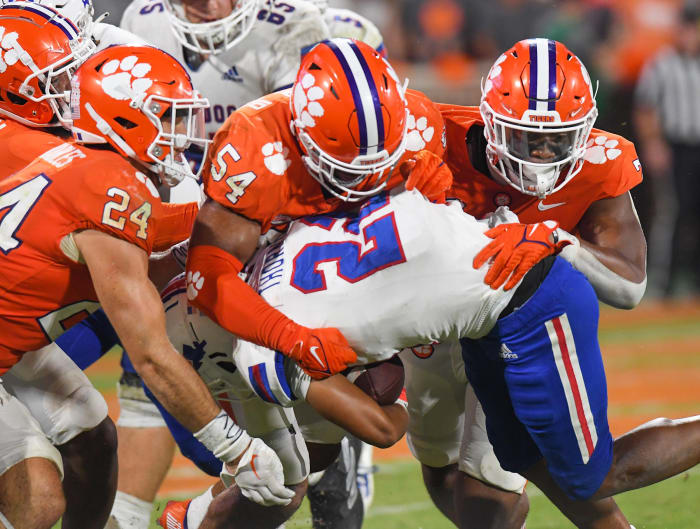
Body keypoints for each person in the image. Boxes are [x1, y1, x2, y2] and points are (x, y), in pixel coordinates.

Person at [160, 184, 697, 529]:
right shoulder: (275, 244)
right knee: (517, 461)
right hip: (478, 286)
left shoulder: (258, 352)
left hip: (528, 299)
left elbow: (379, 428)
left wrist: (372, 383)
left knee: (591, 477)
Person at [401, 37, 695, 529]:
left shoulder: (601, 162)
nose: (540, 152)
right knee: (440, 462)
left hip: (521, 328)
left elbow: (630, 286)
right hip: (434, 323)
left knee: (504, 487)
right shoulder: (430, 137)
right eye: (524, 137)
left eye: (558, 139)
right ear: (490, 121)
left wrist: (557, 241)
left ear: (583, 131)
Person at [0, 41, 291, 529]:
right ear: (125, 118)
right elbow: (151, 354)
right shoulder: (108, 191)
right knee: (38, 504)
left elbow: (163, 259)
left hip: (16, 341)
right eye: (170, 117)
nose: (183, 133)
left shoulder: (95, 168)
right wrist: (235, 449)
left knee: (94, 439)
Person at [634, 0, 700, 297]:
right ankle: (664, 282)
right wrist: (654, 144)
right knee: (673, 213)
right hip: (676, 145)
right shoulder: (662, 63)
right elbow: (645, 107)